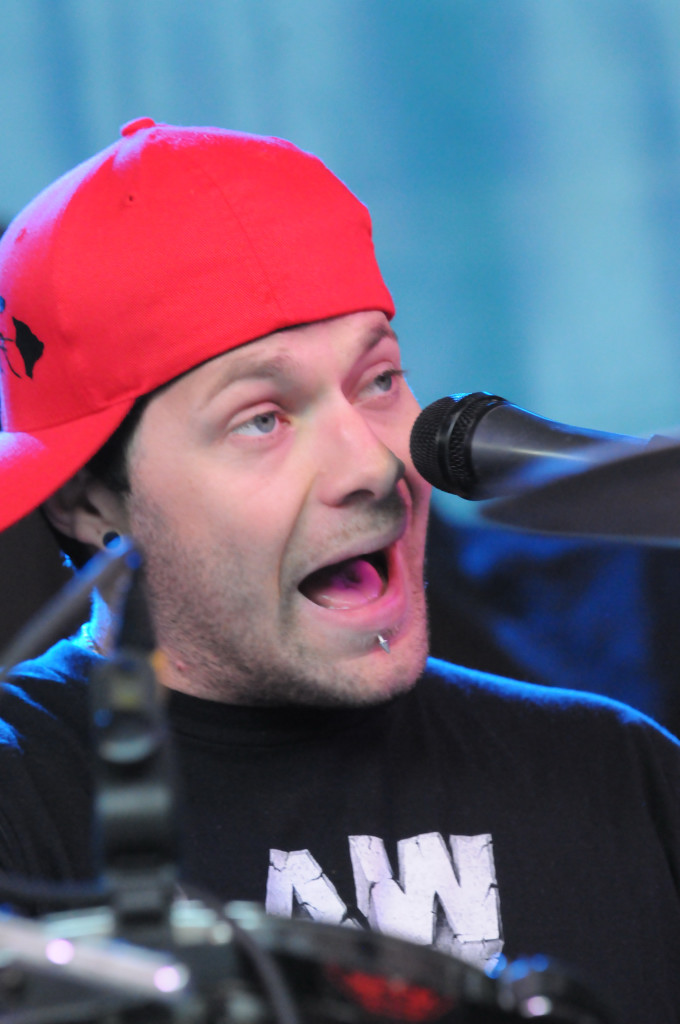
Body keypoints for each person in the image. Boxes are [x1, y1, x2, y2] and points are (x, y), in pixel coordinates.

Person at [0, 118, 679, 1023]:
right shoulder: (20, 802)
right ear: (86, 501)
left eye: (378, 380)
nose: (370, 463)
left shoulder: (623, 777)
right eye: (263, 419)